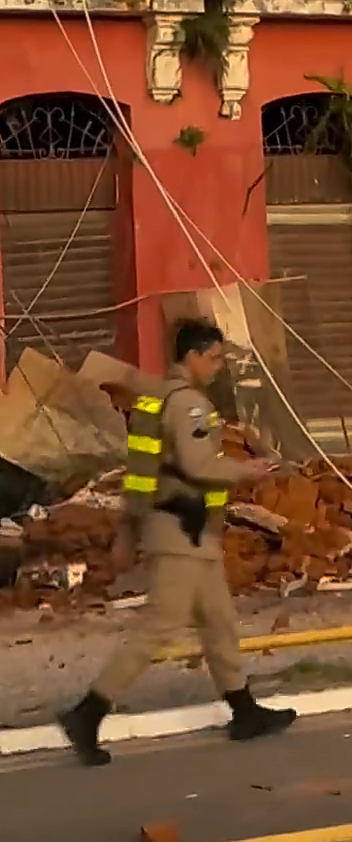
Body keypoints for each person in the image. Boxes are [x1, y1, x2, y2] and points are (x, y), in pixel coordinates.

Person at [58, 318, 297, 766]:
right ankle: (88, 712)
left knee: (219, 620)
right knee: (160, 626)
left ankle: (244, 712)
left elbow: (140, 474)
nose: (218, 368)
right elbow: (197, 462)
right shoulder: (188, 404)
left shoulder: (152, 400)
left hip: (189, 531)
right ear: (192, 356)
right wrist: (247, 471)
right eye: (214, 358)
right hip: (179, 530)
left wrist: (130, 531)